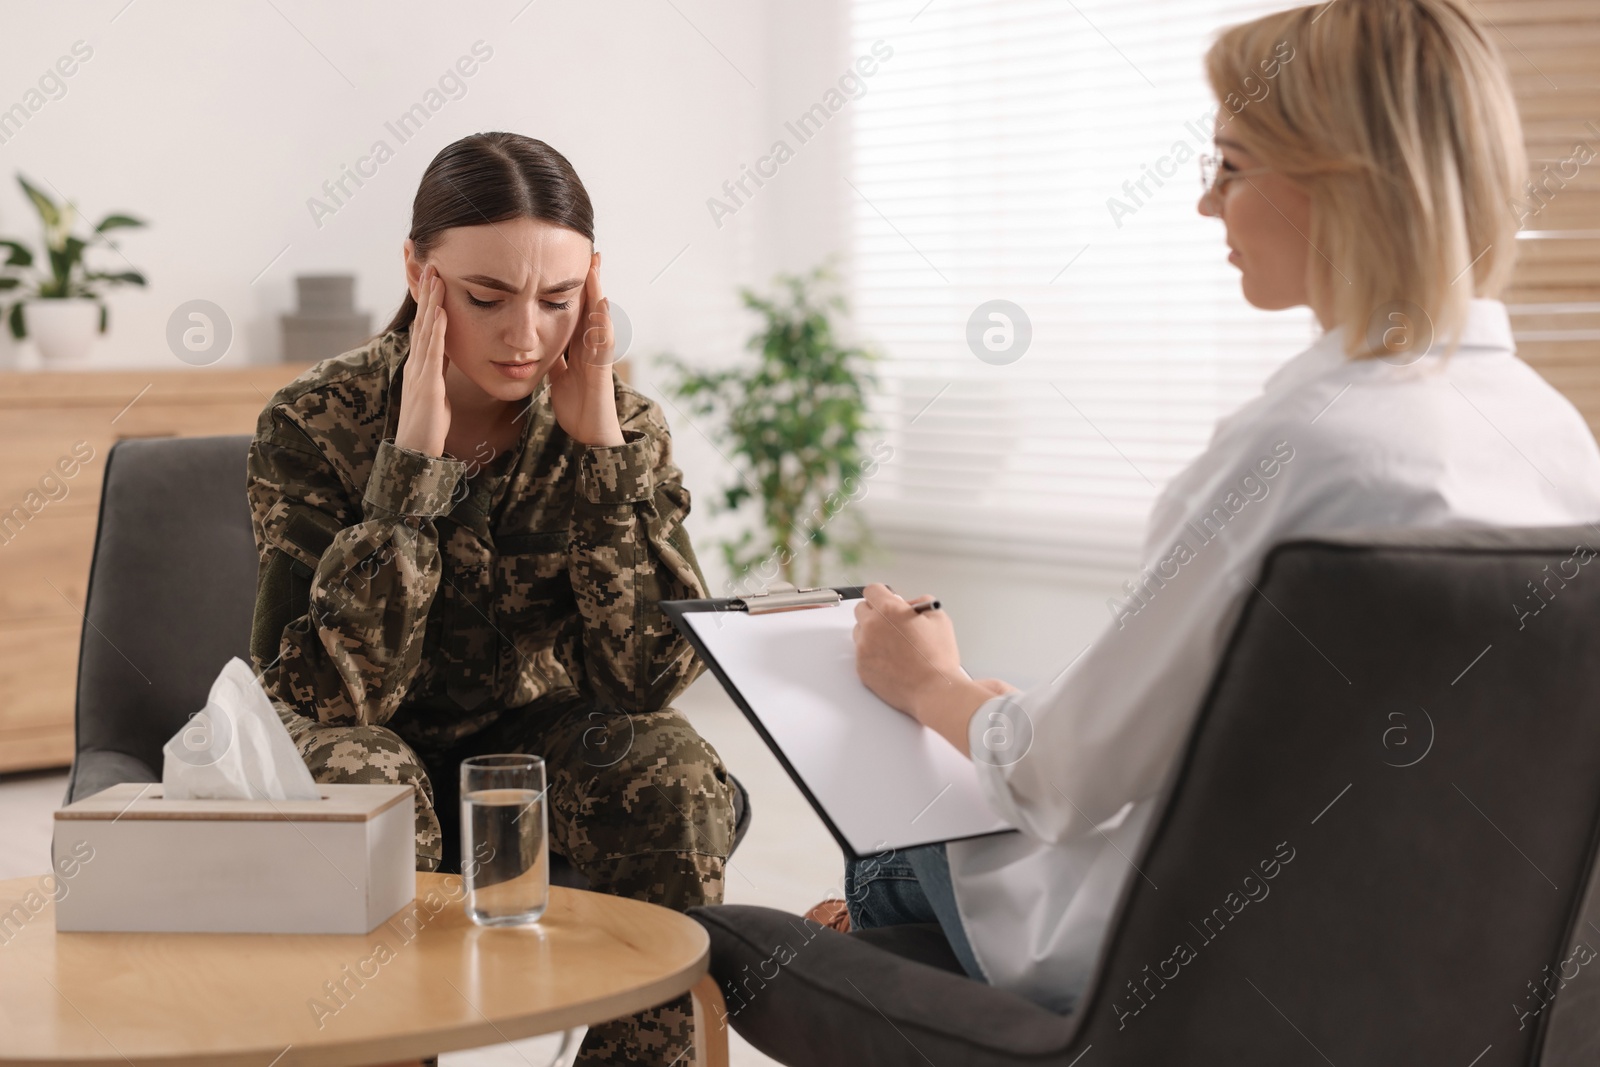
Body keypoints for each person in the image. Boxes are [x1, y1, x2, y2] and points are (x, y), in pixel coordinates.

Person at [820, 0, 1600, 1014]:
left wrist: (931, 684)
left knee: (882, 812)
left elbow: (1061, 779)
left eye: (1229, 165)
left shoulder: (1304, 445)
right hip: (1441, 978)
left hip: (1185, 977)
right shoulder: (1554, 438)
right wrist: (1009, 713)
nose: (1202, 205)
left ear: (1342, 183)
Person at [246, 132, 733, 1066]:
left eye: (557, 300)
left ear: (593, 282)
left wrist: (599, 462)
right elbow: (323, 699)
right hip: (359, 738)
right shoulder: (314, 421)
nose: (524, 336)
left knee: (671, 770)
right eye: (485, 297)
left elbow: (646, 681)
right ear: (418, 274)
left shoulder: (624, 428)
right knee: (368, 782)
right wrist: (409, 478)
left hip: (528, 741)